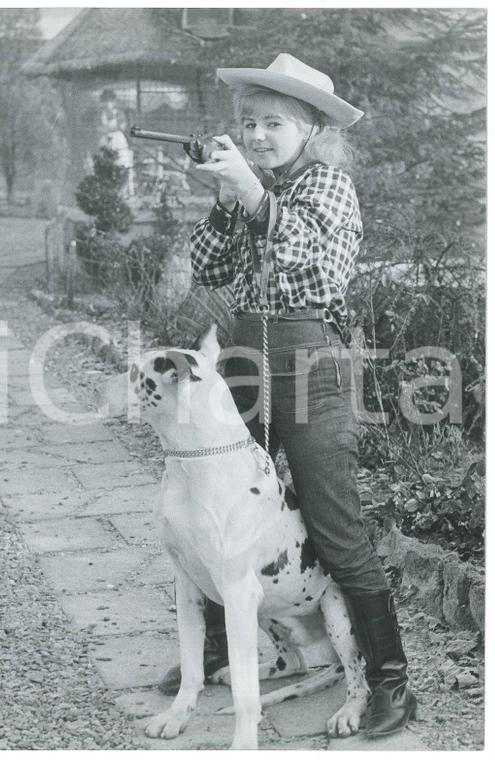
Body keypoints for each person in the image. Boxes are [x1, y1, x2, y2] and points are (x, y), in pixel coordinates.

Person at [159, 53, 417, 739]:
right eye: (248, 123)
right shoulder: (252, 187)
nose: (257, 135)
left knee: (333, 521)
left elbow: (317, 270)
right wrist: (226, 197)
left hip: (311, 362)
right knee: (223, 495)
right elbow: (208, 270)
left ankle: (390, 680)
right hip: (247, 353)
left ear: (313, 131)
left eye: (274, 123)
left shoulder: (329, 186)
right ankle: (223, 645)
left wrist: (253, 195)